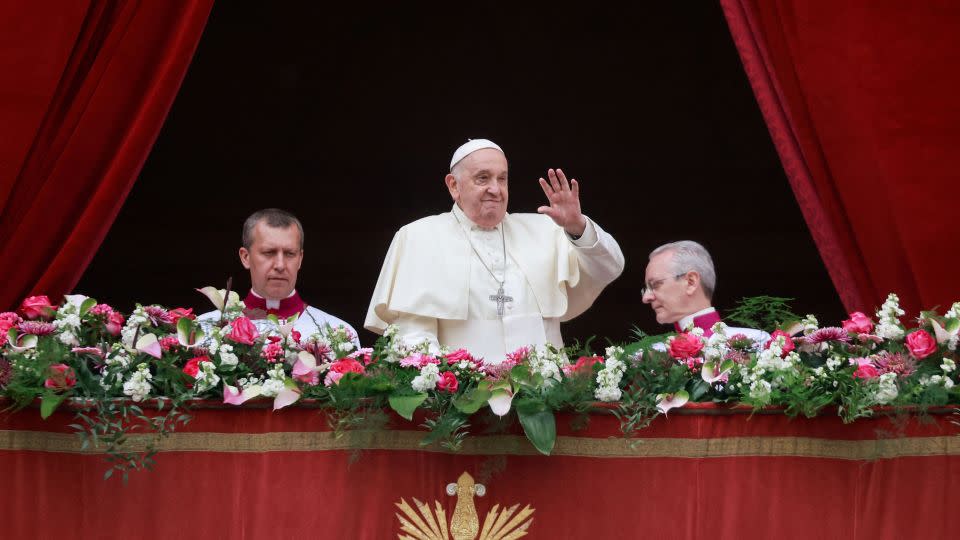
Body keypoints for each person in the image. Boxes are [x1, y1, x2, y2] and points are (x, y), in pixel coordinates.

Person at [365, 138, 624, 363]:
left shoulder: (547, 229)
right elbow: (414, 336)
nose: (495, 189)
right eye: (483, 178)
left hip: (546, 403)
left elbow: (609, 268)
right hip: (464, 407)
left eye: (502, 178)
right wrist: (450, 391)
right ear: (453, 185)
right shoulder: (419, 237)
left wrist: (577, 226)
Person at [199, 208, 360, 346]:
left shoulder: (339, 333)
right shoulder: (203, 330)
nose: (280, 265)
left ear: (300, 259)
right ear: (245, 257)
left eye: (290, 253)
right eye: (269, 252)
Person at [641, 240, 767, 342]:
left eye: (655, 285)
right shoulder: (649, 357)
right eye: (646, 289)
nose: (646, 298)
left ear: (691, 282)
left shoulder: (755, 342)